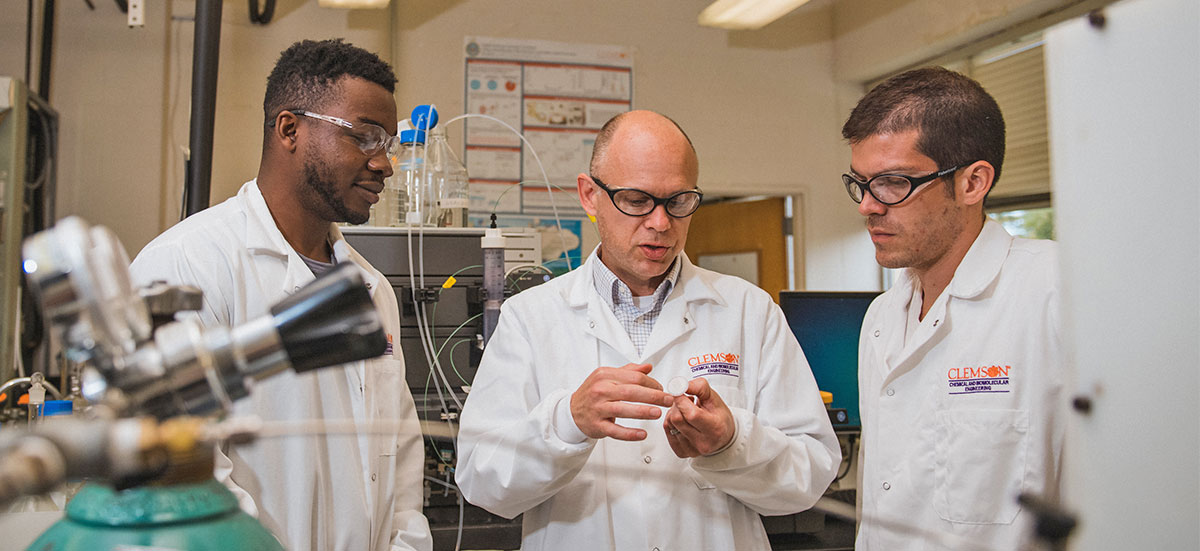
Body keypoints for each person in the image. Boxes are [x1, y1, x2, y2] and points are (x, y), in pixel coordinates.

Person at [455, 110, 840, 550]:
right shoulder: (530, 317)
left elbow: (810, 474)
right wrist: (567, 422)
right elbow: (480, 479)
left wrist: (732, 442)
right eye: (637, 200)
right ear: (589, 195)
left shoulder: (749, 311)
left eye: (678, 202)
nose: (660, 223)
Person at [129, 39, 431, 551]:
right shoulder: (186, 267)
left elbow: (399, 458)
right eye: (364, 137)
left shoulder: (371, 289)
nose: (385, 165)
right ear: (290, 129)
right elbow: (181, 472)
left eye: (389, 145)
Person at [843, 67, 1064, 550]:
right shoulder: (881, 319)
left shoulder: (1059, 292)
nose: (867, 206)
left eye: (893, 182)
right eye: (860, 183)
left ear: (972, 183)